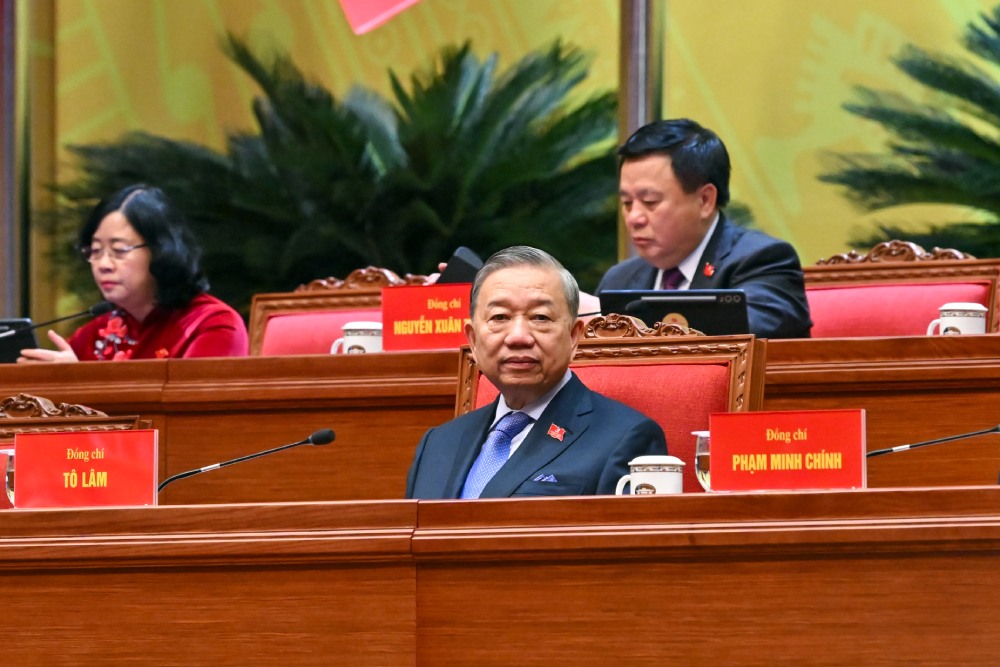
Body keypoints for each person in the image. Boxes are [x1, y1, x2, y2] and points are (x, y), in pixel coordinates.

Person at [405, 245, 667, 499]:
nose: (518, 337)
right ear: (473, 341)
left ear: (574, 337)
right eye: (500, 317)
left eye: (540, 317)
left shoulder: (626, 439)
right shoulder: (437, 444)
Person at [595, 118, 812, 339]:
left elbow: (743, 334)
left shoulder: (762, 261)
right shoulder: (619, 279)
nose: (634, 218)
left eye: (650, 201)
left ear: (705, 200)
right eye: (627, 203)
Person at [18, 184, 248, 362]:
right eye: (95, 250)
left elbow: (192, 414)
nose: (103, 264)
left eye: (119, 250)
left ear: (160, 251)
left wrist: (78, 385)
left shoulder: (212, 325)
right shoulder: (94, 335)